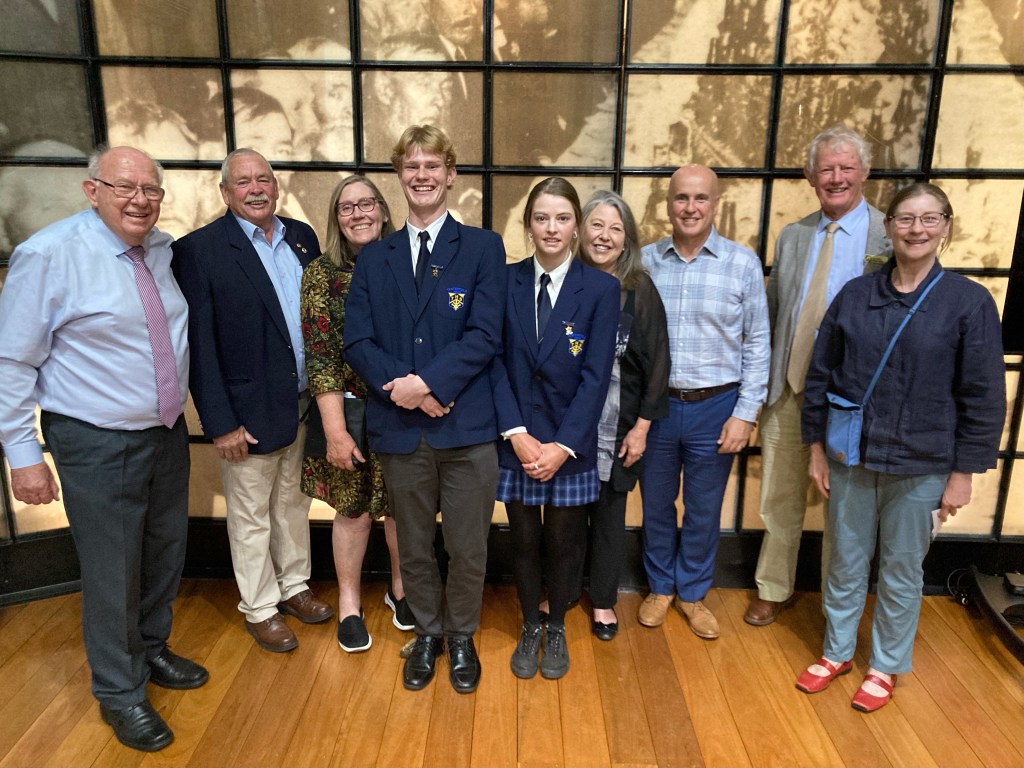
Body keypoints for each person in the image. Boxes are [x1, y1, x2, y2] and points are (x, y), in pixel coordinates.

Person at [0, 146, 207, 752]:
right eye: (124, 187)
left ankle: (151, 649)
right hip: (95, 439)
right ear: (93, 191)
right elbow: (11, 361)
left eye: (151, 189)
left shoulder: (161, 251)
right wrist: (22, 453)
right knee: (113, 568)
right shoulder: (49, 255)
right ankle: (120, 692)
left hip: (164, 431)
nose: (140, 199)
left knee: (164, 552)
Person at [796, 183, 1004, 712]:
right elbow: (821, 373)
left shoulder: (967, 302)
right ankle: (837, 651)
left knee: (902, 567)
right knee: (844, 559)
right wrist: (816, 446)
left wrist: (963, 473)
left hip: (924, 462)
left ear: (946, 227)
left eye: (930, 218)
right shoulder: (856, 295)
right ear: (888, 227)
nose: (917, 229)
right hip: (853, 455)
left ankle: (885, 664)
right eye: (906, 219)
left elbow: (983, 394)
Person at [343, 125, 506, 694]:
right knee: (411, 546)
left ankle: (461, 636)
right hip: (399, 428)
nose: (422, 175)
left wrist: (431, 384)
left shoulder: (483, 247)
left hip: (466, 428)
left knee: (468, 547)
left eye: (432, 165)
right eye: (411, 166)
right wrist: (404, 390)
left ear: (450, 174)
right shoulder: (374, 257)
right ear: (399, 175)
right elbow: (357, 341)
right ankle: (428, 634)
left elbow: (486, 334)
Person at [172, 148, 333, 654]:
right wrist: (220, 423)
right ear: (225, 192)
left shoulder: (301, 237)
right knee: (250, 516)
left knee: (292, 504)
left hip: (303, 402)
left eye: (263, 179)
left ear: (276, 186)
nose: (256, 189)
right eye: (243, 182)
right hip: (245, 414)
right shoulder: (198, 250)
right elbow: (199, 345)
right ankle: (261, 607)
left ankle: (294, 586)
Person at [746, 125, 891, 627]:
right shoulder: (793, 236)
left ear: (864, 172)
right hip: (789, 390)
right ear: (810, 176)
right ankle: (773, 587)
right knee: (778, 500)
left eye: (846, 167)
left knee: (845, 513)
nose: (836, 178)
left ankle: (838, 607)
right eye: (826, 168)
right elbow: (774, 314)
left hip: (854, 399)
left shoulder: (889, 236)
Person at [493, 178, 619, 678]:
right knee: (524, 540)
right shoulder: (504, 281)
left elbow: (596, 376)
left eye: (562, 218)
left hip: (571, 444)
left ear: (576, 227)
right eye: (541, 218)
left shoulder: (602, 289)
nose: (551, 228)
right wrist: (516, 433)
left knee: (564, 541)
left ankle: (559, 625)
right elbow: (494, 361)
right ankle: (530, 623)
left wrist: (563, 445)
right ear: (528, 225)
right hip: (518, 440)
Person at [637, 164, 770, 639]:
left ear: (715, 205)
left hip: (717, 406)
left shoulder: (742, 263)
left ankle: (692, 593)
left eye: (700, 198)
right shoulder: (645, 261)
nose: (690, 208)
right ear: (667, 204)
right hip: (656, 407)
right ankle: (660, 587)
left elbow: (758, 343)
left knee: (703, 508)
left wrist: (745, 414)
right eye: (681, 198)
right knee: (656, 503)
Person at [299, 175, 413, 652]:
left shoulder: (410, 263)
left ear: (384, 211)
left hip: (405, 407)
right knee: (353, 510)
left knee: (403, 510)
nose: (359, 214)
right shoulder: (321, 274)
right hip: (348, 411)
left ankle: (401, 590)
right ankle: (349, 602)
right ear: (336, 219)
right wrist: (334, 430)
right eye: (347, 208)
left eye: (367, 204)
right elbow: (321, 355)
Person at [574, 190, 669, 641]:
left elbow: (659, 362)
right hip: (566, 421)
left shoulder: (639, 288)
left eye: (616, 229)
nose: (604, 236)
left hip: (619, 424)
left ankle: (604, 599)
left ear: (627, 239)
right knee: (565, 514)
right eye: (597, 225)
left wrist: (642, 428)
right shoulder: (565, 280)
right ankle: (563, 590)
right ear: (581, 230)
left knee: (609, 516)